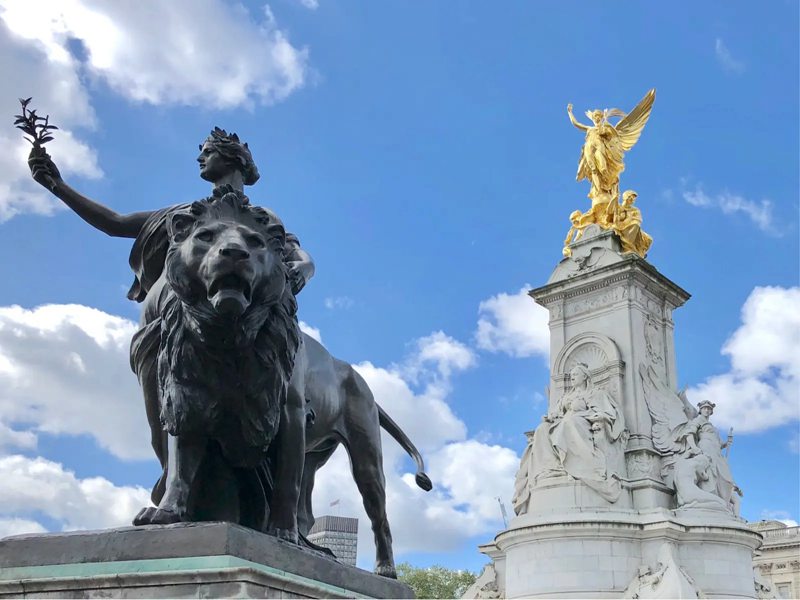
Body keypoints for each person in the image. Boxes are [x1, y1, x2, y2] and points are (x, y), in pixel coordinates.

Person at [28, 129, 313, 535]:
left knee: (279, 396)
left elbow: (297, 256)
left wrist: (301, 268)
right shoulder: (181, 214)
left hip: (236, 330)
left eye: (208, 152)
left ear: (232, 158)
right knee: (170, 406)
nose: (201, 159)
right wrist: (57, 185)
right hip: (171, 329)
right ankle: (176, 488)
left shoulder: (262, 218)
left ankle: (264, 501)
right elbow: (115, 223)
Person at [527, 363, 626, 502]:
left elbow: (605, 412)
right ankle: (552, 468)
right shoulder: (567, 396)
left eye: (575, 374)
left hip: (583, 422)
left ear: (585, 376)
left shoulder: (595, 393)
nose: (572, 377)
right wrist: (549, 417)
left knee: (570, 422)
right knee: (542, 429)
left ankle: (577, 465)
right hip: (564, 422)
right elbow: (556, 412)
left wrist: (592, 415)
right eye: (571, 375)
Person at [610, 190, 652, 257]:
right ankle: (627, 248)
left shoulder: (635, 210)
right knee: (635, 225)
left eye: (633, 198)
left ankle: (632, 248)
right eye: (630, 197)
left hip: (629, 227)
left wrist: (627, 221)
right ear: (625, 197)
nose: (632, 199)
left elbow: (638, 219)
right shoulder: (618, 207)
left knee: (648, 239)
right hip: (620, 226)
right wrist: (614, 199)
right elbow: (609, 212)